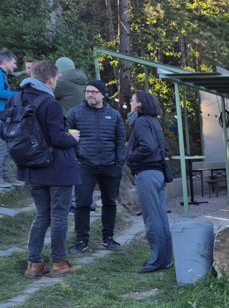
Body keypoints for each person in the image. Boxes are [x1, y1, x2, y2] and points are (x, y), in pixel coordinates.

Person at [16, 60, 81, 277]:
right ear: (51, 79)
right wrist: (72, 138)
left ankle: (34, 264)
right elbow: (57, 138)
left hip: (32, 167)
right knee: (59, 215)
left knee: (42, 215)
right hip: (57, 167)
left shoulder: (17, 99)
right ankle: (59, 263)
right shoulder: (49, 103)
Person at [66, 80, 126, 253]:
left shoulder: (114, 115)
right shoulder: (75, 113)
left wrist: (118, 161)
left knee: (110, 202)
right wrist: (75, 159)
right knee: (82, 203)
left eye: (94, 91)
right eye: (87, 91)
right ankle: (81, 241)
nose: (90, 94)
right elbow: (68, 137)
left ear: (102, 94)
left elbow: (120, 139)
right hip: (84, 165)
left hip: (110, 165)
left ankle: (108, 238)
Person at [126, 91, 173, 273]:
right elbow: (162, 147)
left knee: (152, 218)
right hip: (157, 174)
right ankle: (165, 258)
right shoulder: (153, 121)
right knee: (160, 217)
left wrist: (130, 155)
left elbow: (148, 147)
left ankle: (158, 260)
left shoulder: (141, 122)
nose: (130, 103)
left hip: (147, 174)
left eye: (132, 100)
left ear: (139, 104)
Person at [0, 49, 23, 189]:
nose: (15, 66)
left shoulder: (2, 75)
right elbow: (0, 92)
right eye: (14, 63)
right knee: (2, 146)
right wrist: (19, 95)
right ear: (5, 61)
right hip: (0, 115)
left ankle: (5, 175)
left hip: (4, 114)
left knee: (7, 146)